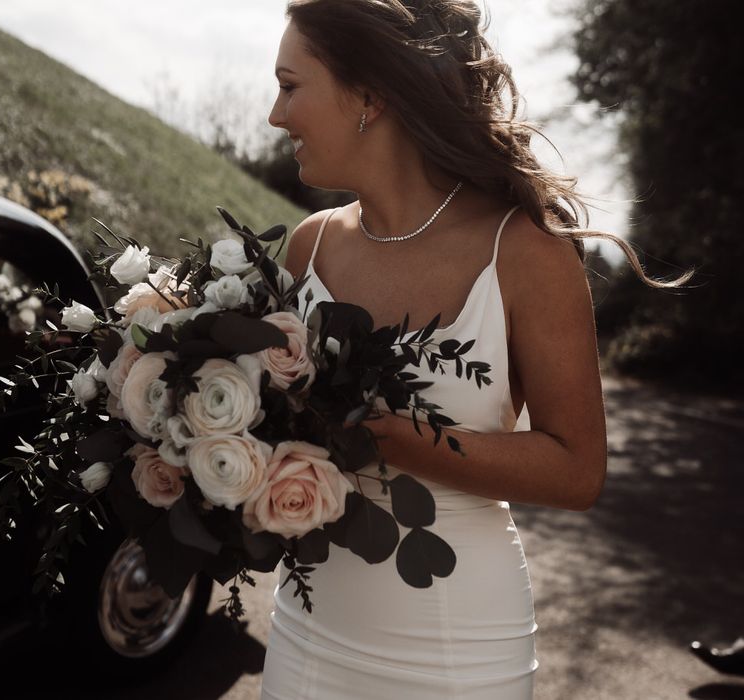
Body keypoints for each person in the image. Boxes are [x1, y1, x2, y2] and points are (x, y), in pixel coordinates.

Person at [264, 1, 691, 698]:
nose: (276, 116)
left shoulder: (524, 253)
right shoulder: (309, 246)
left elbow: (576, 470)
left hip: (454, 649)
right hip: (307, 632)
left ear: (370, 96)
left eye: (289, 86)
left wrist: (389, 437)